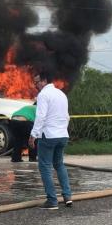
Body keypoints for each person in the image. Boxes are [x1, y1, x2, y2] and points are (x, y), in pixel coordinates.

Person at [28, 72, 72, 210]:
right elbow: (67, 116)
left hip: (49, 135)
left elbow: (40, 116)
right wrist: (62, 130)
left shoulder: (43, 95)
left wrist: (33, 135)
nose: (36, 85)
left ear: (44, 80)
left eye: (37, 82)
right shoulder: (61, 94)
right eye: (34, 83)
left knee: (45, 167)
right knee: (59, 165)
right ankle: (67, 196)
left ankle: (52, 200)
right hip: (62, 135)